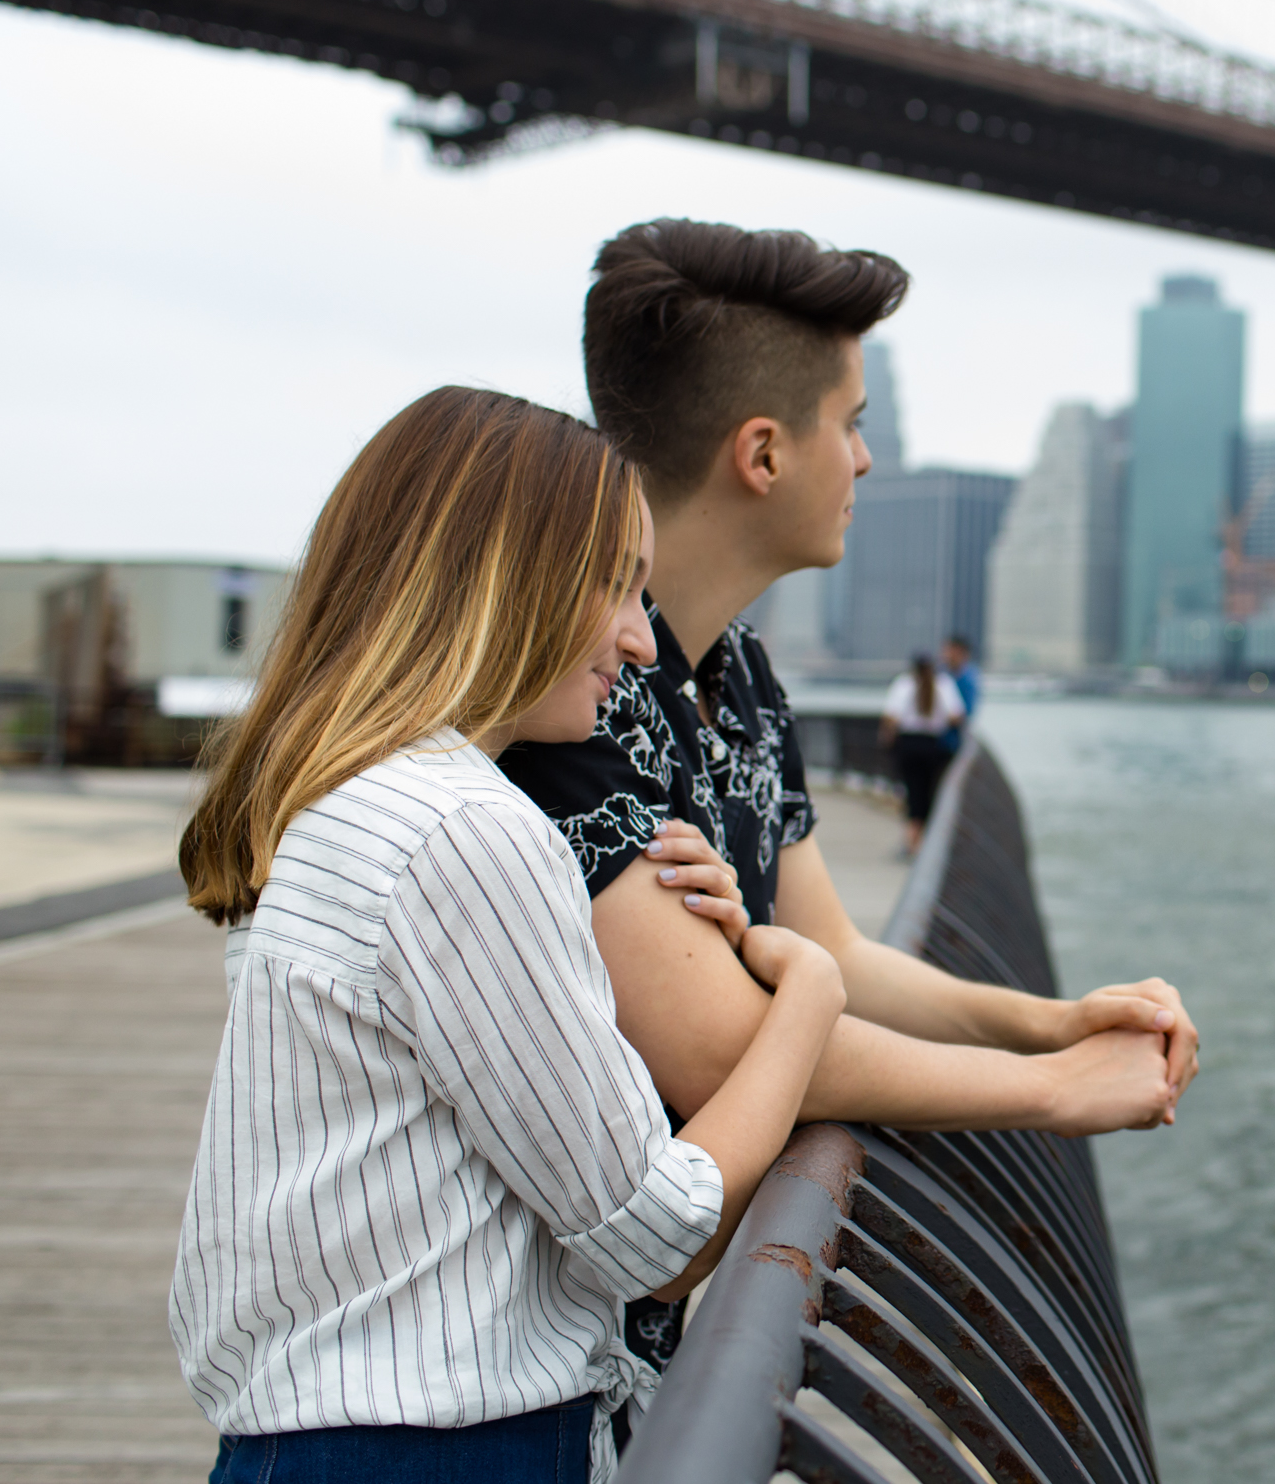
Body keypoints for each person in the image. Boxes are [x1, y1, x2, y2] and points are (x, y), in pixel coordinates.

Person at [499, 220, 1201, 1388]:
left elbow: (832, 950)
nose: (866, 461)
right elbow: (729, 1041)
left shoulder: (743, 677)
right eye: (854, 422)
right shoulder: (573, 692)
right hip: (509, 1366)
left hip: (619, 1357)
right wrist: (1047, 1092)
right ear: (763, 453)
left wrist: (1047, 1018)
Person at [171, 388, 845, 1482]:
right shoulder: (466, 829)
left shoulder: (346, 802)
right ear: (502, 580)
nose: (638, 637)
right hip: (444, 1452)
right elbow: (655, 1234)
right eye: (616, 582)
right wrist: (805, 996)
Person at [879, 650, 965, 854]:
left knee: (913, 791)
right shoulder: (944, 683)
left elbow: (891, 717)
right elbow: (956, 715)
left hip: (908, 745)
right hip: (933, 746)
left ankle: (912, 841)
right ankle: (925, 841)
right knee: (931, 793)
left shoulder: (904, 684)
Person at [939, 633, 980, 749]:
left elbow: (964, 714)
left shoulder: (968, 680)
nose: (946, 655)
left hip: (953, 740)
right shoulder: (942, 673)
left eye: (950, 651)